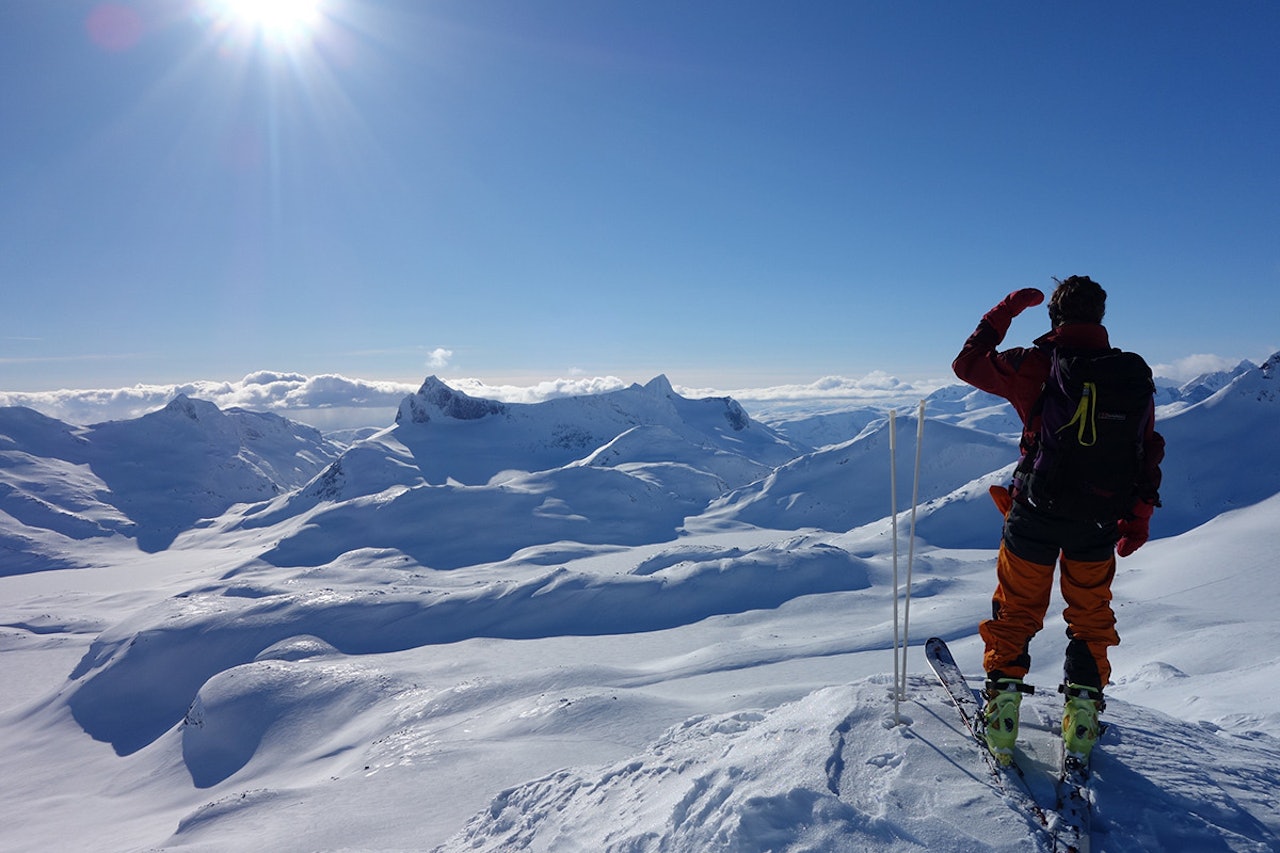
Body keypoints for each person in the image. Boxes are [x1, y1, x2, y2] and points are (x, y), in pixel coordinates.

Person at [952, 276, 1164, 763]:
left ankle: (1003, 714)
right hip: (1099, 521)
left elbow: (965, 364)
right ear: (1101, 317)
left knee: (1017, 611)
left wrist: (1003, 312)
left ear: (1055, 318)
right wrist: (1139, 515)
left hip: (1034, 513)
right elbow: (1146, 446)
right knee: (1091, 616)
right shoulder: (1131, 373)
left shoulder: (1034, 364)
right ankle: (1083, 719)